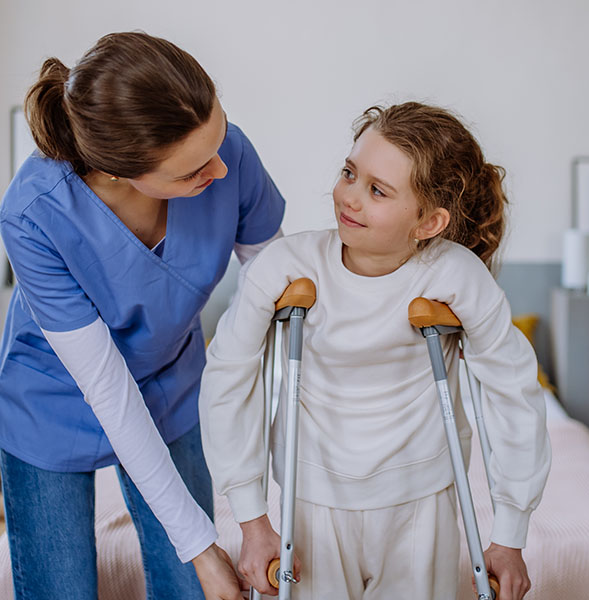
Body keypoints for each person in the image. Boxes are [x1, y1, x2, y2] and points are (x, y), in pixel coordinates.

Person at [199, 102, 552, 600]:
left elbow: (513, 390)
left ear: (428, 222)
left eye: (377, 190)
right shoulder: (286, 264)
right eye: (349, 173)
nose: (350, 197)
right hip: (313, 497)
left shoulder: (455, 274)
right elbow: (228, 378)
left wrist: (511, 533)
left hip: (422, 499)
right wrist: (252, 521)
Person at [0, 31, 285, 600]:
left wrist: (254, 517)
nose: (221, 172)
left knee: (192, 588)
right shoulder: (34, 214)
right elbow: (107, 389)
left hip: (173, 382)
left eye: (219, 140)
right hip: (53, 399)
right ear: (114, 172)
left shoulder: (227, 154)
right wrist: (202, 547)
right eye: (191, 172)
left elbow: (274, 304)